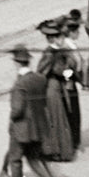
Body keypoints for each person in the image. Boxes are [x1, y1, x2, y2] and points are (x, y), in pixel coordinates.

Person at [4, 45, 61, 177]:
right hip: (38, 126)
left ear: (16, 63)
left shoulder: (19, 85)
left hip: (21, 129)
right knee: (33, 159)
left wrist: (12, 120)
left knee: (15, 159)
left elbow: (17, 110)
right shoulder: (39, 79)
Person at [36, 20, 75, 162]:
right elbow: (45, 71)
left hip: (54, 86)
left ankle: (55, 150)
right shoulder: (51, 52)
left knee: (54, 118)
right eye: (59, 37)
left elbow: (42, 71)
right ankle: (58, 150)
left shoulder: (53, 51)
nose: (62, 39)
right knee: (56, 118)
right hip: (52, 87)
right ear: (52, 38)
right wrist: (66, 72)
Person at [61, 10, 85, 150]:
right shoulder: (67, 46)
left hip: (72, 82)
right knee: (72, 112)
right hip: (69, 84)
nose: (79, 34)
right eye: (77, 31)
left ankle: (74, 140)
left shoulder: (71, 45)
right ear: (71, 32)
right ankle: (72, 140)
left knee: (75, 112)